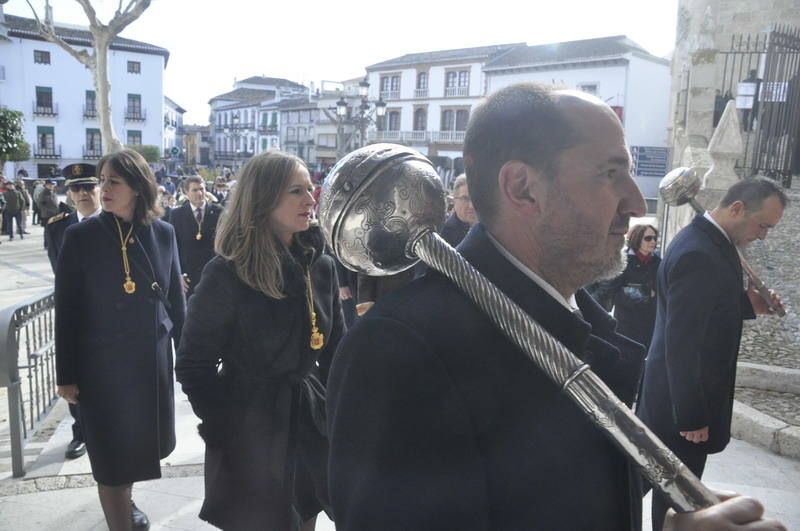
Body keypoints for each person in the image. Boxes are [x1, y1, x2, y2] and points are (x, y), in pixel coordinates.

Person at [326, 83, 786, 531]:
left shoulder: (584, 320)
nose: (634, 200)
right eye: (610, 173)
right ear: (523, 188)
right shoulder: (401, 352)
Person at [175, 151, 344, 531]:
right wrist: (225, 426)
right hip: (250, 431)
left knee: (305, 516)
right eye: (296, 191)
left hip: (309, 422)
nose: (311, 199)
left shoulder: (321, 264)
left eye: (310, 188)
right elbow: (192, 364)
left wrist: (341, 417)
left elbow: (338, 355)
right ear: (264, 198)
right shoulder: (227, 272)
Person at [637, 176, 787, 531]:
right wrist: (690, 416)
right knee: (678, 502)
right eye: (762, 225)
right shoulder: (699, 253)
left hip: (673, 403)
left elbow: (706, 309)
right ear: (736, 208)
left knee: (669, 497)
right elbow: (683, 341)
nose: (764, 235)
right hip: (680, 412)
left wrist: (746, 305)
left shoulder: (710, 243)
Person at [55, 149, 186, 531]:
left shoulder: (163, 232)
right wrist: (66, 375)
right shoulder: (81, 236)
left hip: (149, 364)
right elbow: (68, 310)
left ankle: (127, 504)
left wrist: (191, 362)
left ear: (138, 186)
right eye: (102, 180)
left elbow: (177, 304)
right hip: (101, 368)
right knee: (111, 457)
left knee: (137, 448)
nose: (103, 188)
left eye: (114, 180)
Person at [45, 163, 103, 461]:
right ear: (68, 193)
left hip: (109, 318)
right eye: (76, 188)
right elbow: (60, 273)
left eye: (88, 187)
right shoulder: (56, 226)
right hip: (75, 317)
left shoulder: (115, 224)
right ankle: (80, 433)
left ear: (98, 189)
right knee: (74, 377)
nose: (83, 193)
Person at [604, 223, 661, 349]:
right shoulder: (624, 261)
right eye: (648, 238)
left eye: (654, 238)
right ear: (637, 239)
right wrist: (636, 295)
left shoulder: (658, 262)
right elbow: (612, 291)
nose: (652, 241)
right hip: (628, 323)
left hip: (651, 321)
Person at [166, 176, 223, 297]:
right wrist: (178, 275)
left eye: (202, 189)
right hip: (188, 277)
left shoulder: (219, 212)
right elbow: (173, 247)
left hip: (214, 275)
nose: (199, 193)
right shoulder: (177, 214)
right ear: (186, 192)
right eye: (195, 190)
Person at [441, 173, 477, 247]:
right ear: (454, 201)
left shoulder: (488, 229)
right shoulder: (444, 234)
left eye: (475, 198)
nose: (472, 205)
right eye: (465, 199)